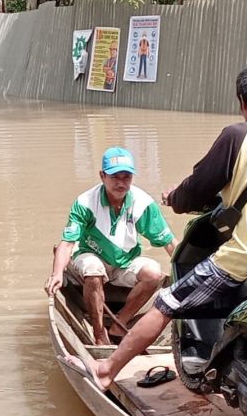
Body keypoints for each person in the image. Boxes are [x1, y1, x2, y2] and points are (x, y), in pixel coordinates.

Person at [75, 65, 247, 388]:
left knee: (167, 303)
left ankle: (106, 370)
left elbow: (197, 189)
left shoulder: (237, 136)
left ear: (241, 101)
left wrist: (175, 197)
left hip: (243, 260)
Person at [46, 147, 176, 345]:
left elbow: (169, 242)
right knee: (93, 269)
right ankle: (99, 334)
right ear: (102, 176)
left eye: (126, 177)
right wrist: (56, 275)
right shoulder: (86, 202)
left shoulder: (143, 203)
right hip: (91, 256)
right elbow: (68, 243)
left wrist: (190, 273)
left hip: (125, 263)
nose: (121, 183)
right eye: (115, 176)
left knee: (154, 273)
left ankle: (119, 323)